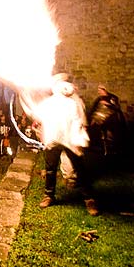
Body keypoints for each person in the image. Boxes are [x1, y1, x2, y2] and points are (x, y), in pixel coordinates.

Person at [35, 77, 99, 216]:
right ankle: (49, 196)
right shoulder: (48, 104)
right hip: (53, 140)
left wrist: (78, 141)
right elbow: (41, 120)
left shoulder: (72, 104)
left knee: (79, 168)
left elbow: (77, 122)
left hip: (70, 140)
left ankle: (89, 198)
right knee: (50, 169)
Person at [88, 84, 126, 157]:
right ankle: (102, 148)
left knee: (114, 133)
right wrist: (93, 118)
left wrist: (107, 104)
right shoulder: (99, 99)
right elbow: (94, 109)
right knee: (96, 131)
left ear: (104, 90)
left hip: (111, 120)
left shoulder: (113, 98)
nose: (99, 92)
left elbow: (116, 108)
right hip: (100, 120)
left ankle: (115, 148)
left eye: (100, 90)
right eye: (98, 90)